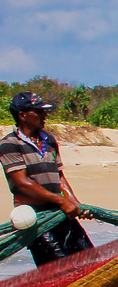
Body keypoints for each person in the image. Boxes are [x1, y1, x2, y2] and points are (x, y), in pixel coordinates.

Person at [1, 91, 93, 265]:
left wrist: (74, 202)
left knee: (91, 261)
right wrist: (62, 201)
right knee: (58, 271)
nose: (45, 115)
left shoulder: (49, 140)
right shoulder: (9, 144)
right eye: (39, 111)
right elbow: (22, 184)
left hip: (60, 213)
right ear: (22, 115)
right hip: (36, 220)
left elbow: (59, 177)